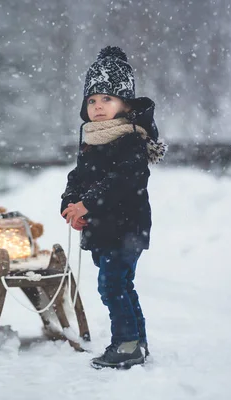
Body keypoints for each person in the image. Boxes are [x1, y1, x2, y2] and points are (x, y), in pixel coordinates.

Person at [60, 46, 166, 369]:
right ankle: (138, 340)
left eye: (107, 99)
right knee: (120, 283)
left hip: (126, 226)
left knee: (112, 284)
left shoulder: (131, 139)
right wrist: (70, 204)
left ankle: (126, 343)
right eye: (92, 100)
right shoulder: (92, 140)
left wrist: (87, 204)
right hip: (104, 227)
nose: (98, 107)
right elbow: (78, 178)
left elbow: (122, 182)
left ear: (125, 104)